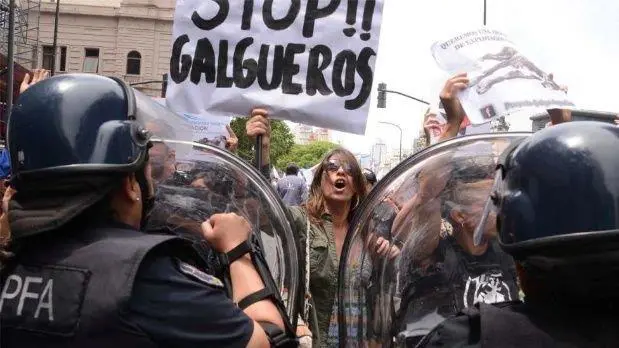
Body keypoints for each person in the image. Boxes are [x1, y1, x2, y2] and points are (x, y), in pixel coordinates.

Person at [0, 74, 295, 347]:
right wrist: (238, 252)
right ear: (130, 184)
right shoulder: (143, 277)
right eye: (148, 172)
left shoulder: (11, 258)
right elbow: (267, 339)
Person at [417, 121, 619, 347]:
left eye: (494, 203)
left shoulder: (463, 338)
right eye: (484, 203)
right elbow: (427, 197)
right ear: (458, 216)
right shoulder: (443, 255)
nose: (493, 210)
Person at [247, 108, 393, 346]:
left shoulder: (366, 229)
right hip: (316, 339)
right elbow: (265, 213)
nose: (341, 172)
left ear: (356, 185)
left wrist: (387, 255)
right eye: (333, 166)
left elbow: (378, 291)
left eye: (350, 170)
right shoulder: (300, 220)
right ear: (320, 180)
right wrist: (262, 152)